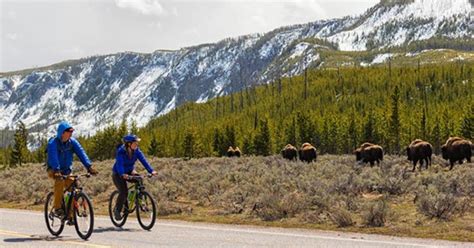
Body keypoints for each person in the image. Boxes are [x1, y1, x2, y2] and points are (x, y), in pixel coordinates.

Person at [46, 121, 98, 223]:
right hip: (53, 169)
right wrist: (56, 170)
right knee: (60, 181)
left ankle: (70, 216)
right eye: (69, 131)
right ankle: (57, 208)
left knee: (74, 187)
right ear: (62, 133)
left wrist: (89, 167)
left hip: (66, 170)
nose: (71, 133)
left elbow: (81, 153)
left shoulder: (72, 142)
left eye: (71, 131)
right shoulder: (53, 143)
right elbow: (53, 157)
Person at [112, 134, 157, 220]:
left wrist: (151, 171)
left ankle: (141, 202)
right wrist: (122, 174)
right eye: (135, 143)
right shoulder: (121, 151)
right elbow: (119, 164)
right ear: (129, 144)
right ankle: (117, 210)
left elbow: (144, 161)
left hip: (129, 171)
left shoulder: (137, 151)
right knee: (123, 191)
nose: (137, 144)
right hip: (118, 174)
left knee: (139, 179)